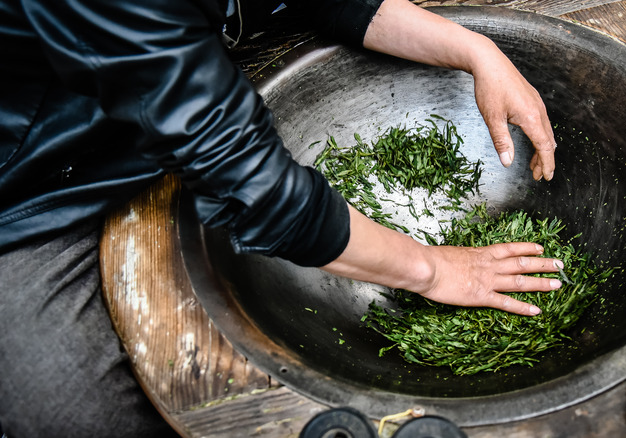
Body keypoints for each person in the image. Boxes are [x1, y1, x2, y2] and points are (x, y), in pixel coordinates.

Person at [0, 0, 559, 436]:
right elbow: (261, 189)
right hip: (41, 181)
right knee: (78, 413)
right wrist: (434, 271)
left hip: (182, 105)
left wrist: (475, 50)